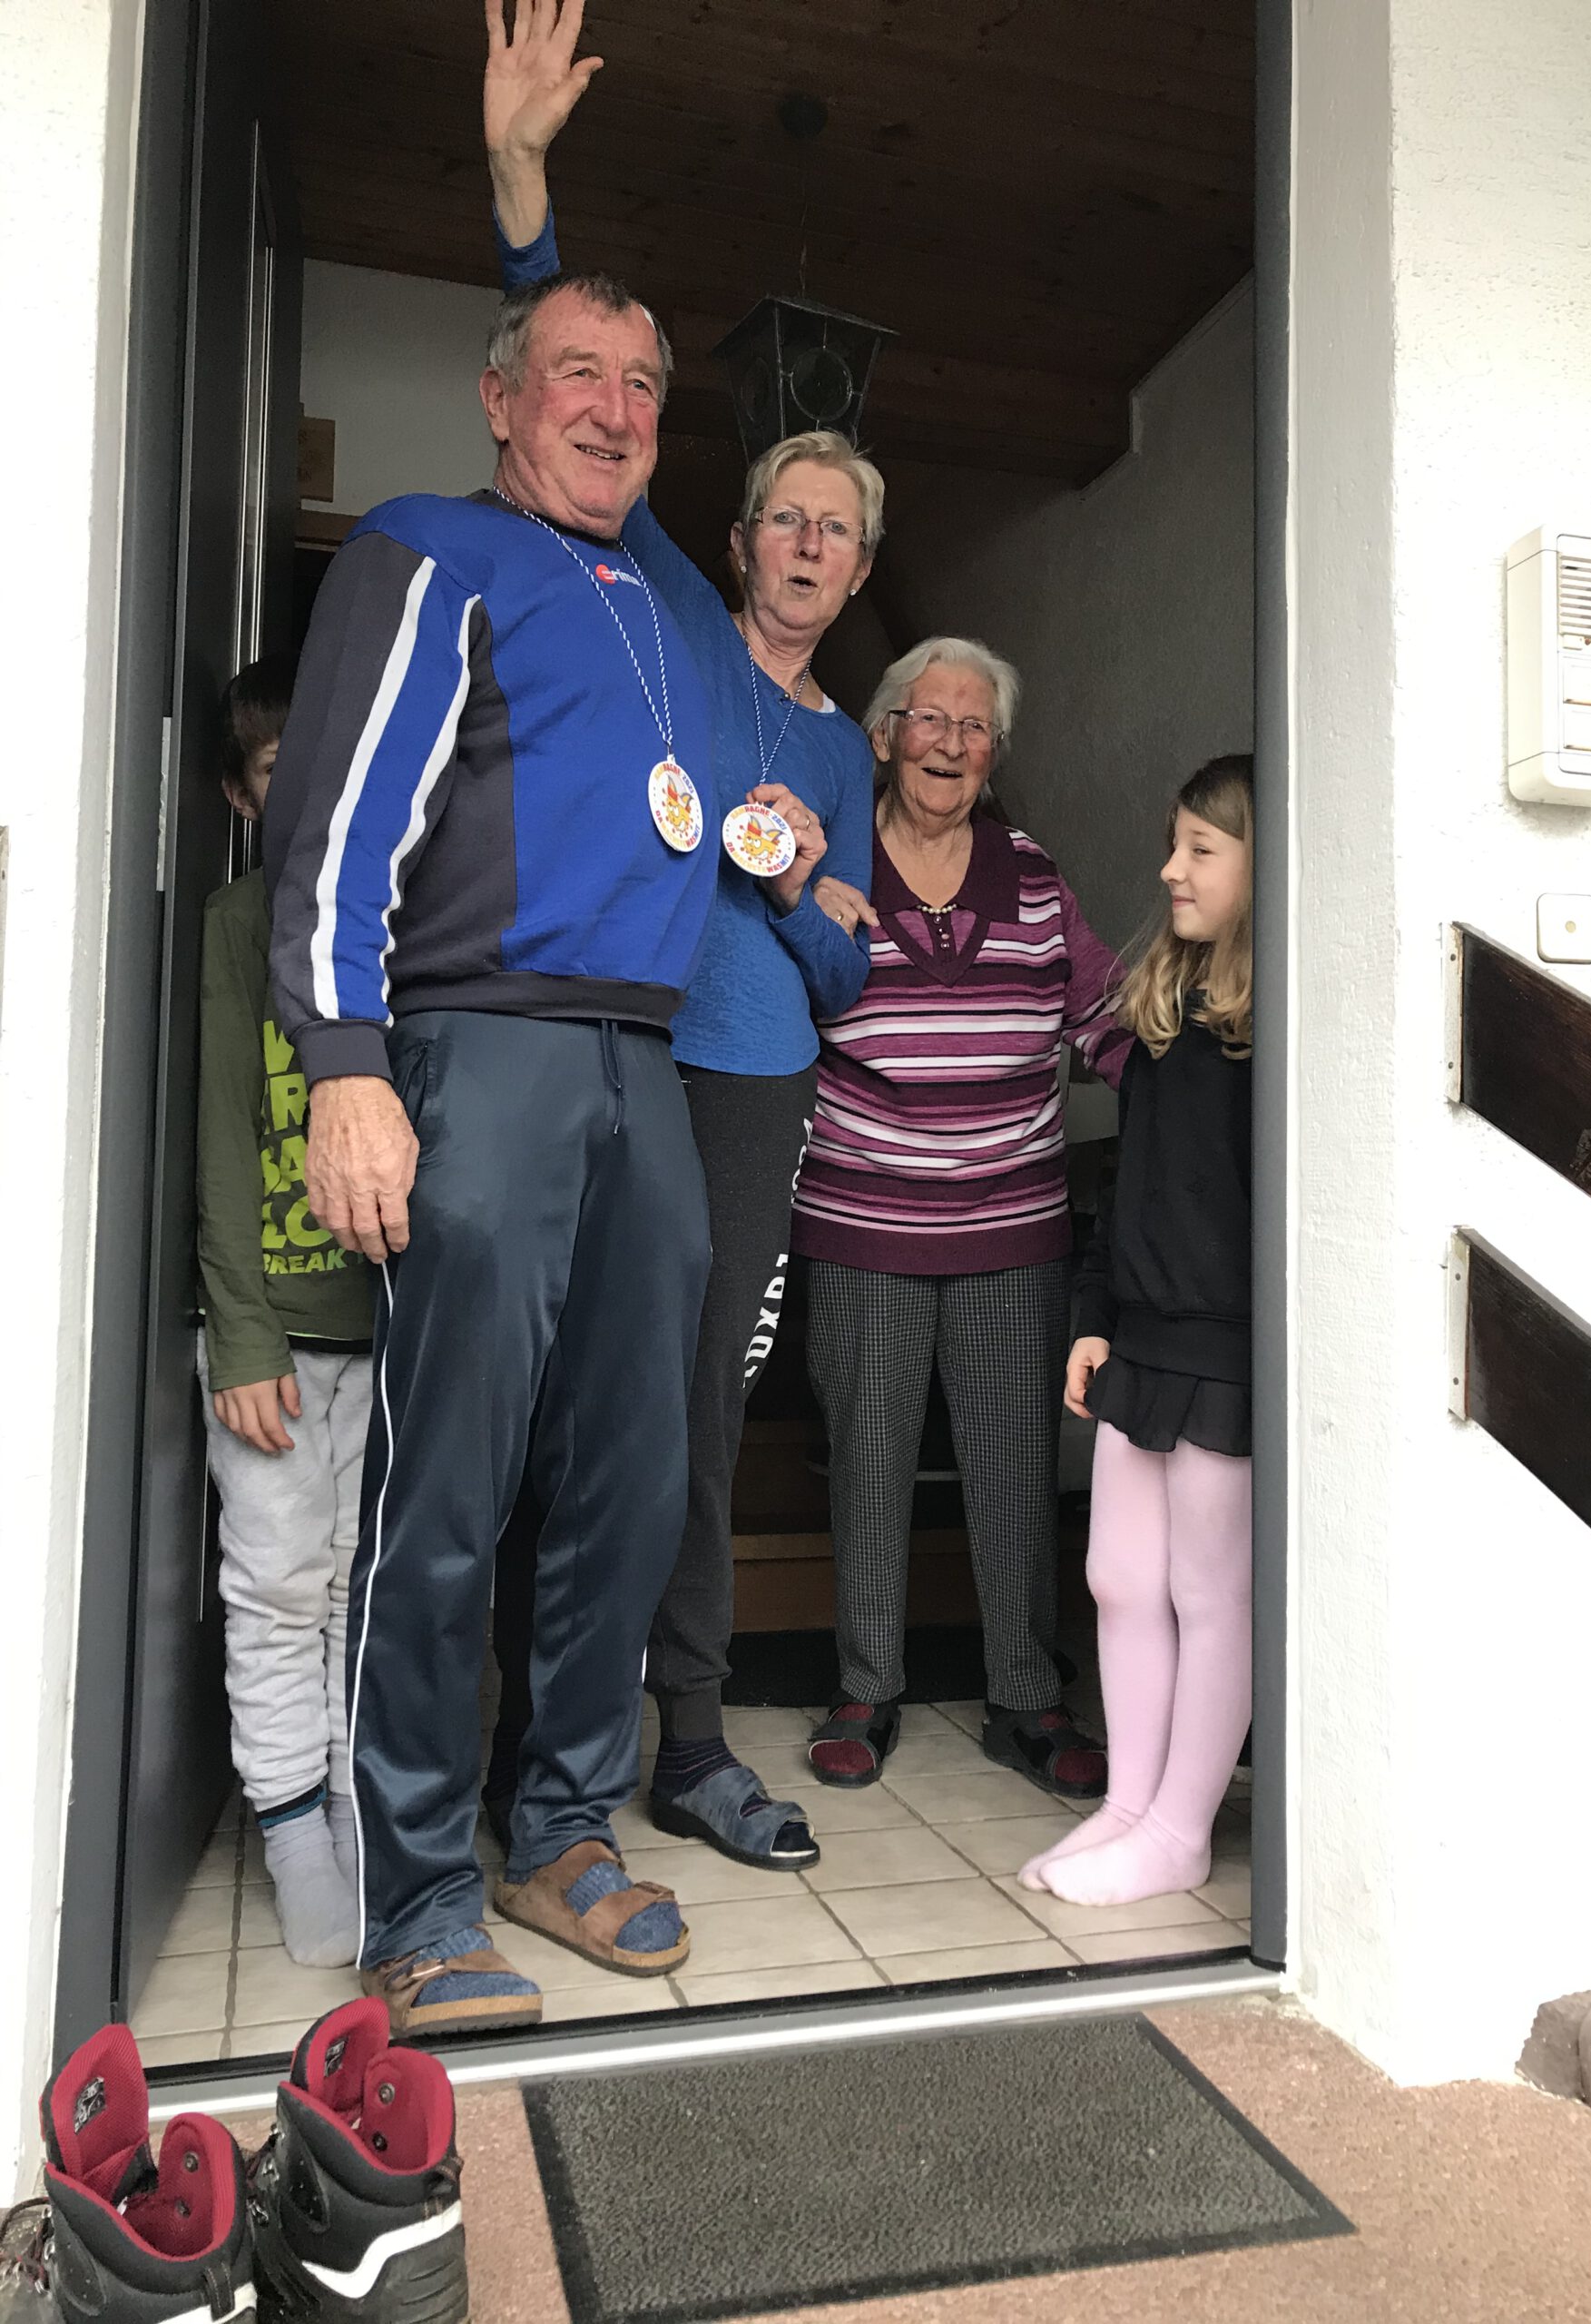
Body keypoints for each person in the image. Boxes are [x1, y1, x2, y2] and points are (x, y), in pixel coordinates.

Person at [264, 261, 718, 2035]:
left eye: (643, 384)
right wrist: (346, 1066)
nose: (614, 408)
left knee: (632, 1474)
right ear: (501, 397)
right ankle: (421, 1892)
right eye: (577, 371)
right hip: (478, 1048)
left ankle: (559, 1830)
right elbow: (334, 827)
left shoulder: (653, 604)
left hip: (643, 1061)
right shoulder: (429, 548)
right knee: (445, 1486)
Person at [482, 0, 877, 1874]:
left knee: (700, 1421)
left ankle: (692, 1739)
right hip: (615, 1048)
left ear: (858, 569)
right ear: (733, 539)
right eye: (783, 517)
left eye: (837, 531)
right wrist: (521, 183)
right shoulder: (666, 618)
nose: (804, 545)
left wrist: (798, 888)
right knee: (569, 1392)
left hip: (749, 1091)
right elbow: (576, 402)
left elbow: (852, 974)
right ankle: (529, 1729)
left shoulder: (845, 748)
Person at [795, 638, 1129, 1796]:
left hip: (1011, 1226)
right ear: (885, 733)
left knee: (1014, 1468)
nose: (948, 743)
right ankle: (864, 1687)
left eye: (973, 726)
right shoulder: (833, 864)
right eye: (928, 719)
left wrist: (1201, 1088)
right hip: (862, 1216)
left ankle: (1027, 1697)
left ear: (995, 752)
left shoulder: (1031, 877)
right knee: (868, 1461)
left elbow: (1105, 1016)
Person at [1020, 755, 1255, 1905]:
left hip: (1223, 1353)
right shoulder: (1165, 1013)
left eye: (1201, 849)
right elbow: (1129, 1189)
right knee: (1118, 1576)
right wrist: (1094, 1316)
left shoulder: (1271, 1034)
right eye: (1174, 843)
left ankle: (1179, 1830)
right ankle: (1128, 1804)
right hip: (1141, 1340)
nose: (1170, 868)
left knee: (1209, 1594)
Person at [196, 655, 375, 1968]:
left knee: (364, 1586)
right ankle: (293, 1821)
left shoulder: (397, 920)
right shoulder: (236, 922)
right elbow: (217, 1135)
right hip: (272, 1332)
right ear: (243, 794)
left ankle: (356, 1800)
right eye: (277, 771)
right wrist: (243, 1331)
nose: (306, 789)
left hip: (388, 1335)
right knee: (275, 1583)